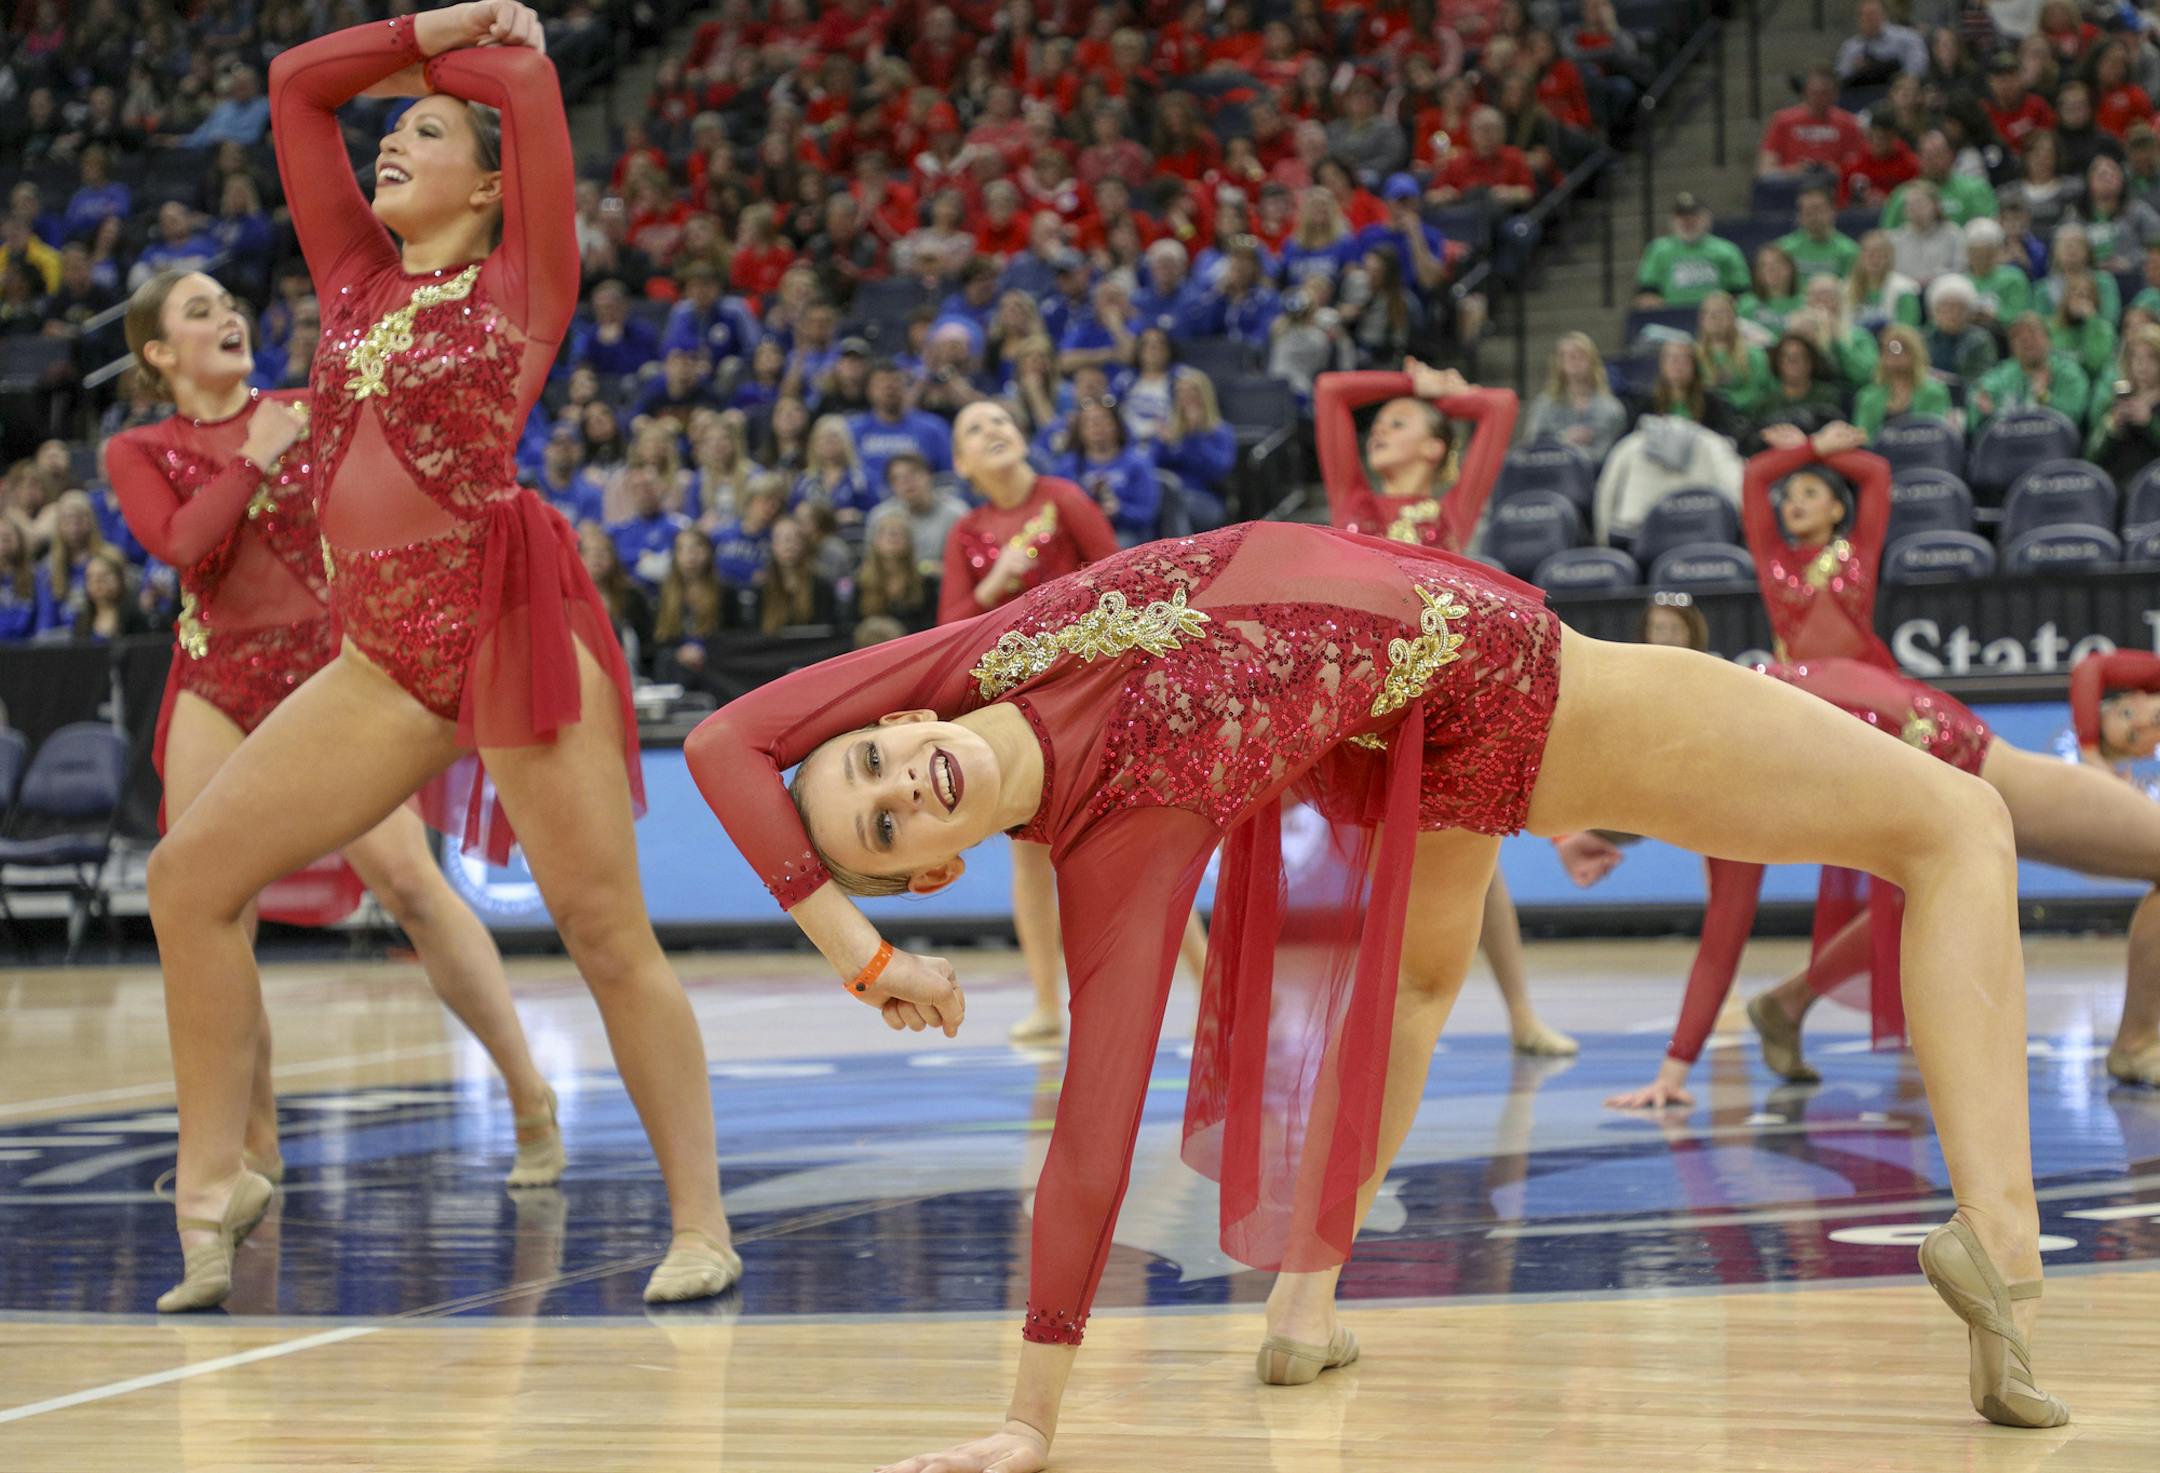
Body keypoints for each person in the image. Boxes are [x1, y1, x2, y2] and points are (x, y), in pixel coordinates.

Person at [689, 517, 2062, 1468]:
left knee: (1416, 991)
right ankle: (2001, 1245)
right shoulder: (1121, 848)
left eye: (871, 766)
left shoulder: (973, 662)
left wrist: (858, 954)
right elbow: (1091, 1142)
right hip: (1525, 687)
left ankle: (1304, 1303)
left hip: (1421, 710)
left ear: (898, 721)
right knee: (1955, 827)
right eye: (882, 834)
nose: (893, 792)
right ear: (931, 873)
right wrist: (1030, 1419)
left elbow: (726, 736)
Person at [144, 2, 739, 1317]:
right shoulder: (356, 277)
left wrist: (478, 54)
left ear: (489, 180)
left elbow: (527, 88)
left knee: (600, 926)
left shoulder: (528, 278)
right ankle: (213, 1180)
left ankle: (700, 1219)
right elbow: (300, 87)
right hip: (380, 658)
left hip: (510, 623)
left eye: (424, 133)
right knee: (186, 877)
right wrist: (429, 33)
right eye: (394, 132)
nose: (390, 145)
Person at [113, 271, 562, 1298]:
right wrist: (252, 462)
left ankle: (531, 1099)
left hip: (334, 673)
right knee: (209, 903)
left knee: (409, 885)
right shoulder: (137, 450)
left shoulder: (309, 411)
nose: (225, 316)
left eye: (226, 303)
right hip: (215, 678)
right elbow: (180, 547)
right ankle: (246, 1155)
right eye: (196, 312)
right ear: (157, 355)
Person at [1618, 425, 2160, 1107]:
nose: (1794, 502)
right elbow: (1724, 915)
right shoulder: (1765, 684)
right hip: (1937, 763)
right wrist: (1673, 1069)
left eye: (1811, 494)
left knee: (1915, 892)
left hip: (1941, 743)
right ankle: (2136, 1043)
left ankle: (1786, 1005)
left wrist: (1816, 448)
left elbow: (1869, 474)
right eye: (1792, 495)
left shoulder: (1824, 605)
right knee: (1920, 890)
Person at [1315, 362, 1577, 1054]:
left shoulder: (1451, 511)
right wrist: (1401, 385)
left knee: (1476, 867)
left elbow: (1500, 404)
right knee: (1379, 872)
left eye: (1399, 425)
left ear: (1435, 448)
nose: (1381, 431)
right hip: (1364, 705)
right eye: (1382, 424)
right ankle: (1364, 1028)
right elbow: (1331, 395)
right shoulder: (1355, 503)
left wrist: (1438, 397)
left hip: (1443, 702)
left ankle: (1521, 1013)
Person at [939, 399, 1121, 1043]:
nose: (992, 429)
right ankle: (1049, 1002)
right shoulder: (966, 531)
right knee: (1030, 858)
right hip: (1018, 710)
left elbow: (1120, 576)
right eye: (974, 427)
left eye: (999, 419)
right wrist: (996, 587)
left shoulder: (1063, 498)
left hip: (1089, 689)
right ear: (962, 463)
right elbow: (947, 630)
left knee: (1130, 841)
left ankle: (1207, 982)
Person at [1522, 332, 1628, 463]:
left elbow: (1611, 456)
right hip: (1550, 473)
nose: (1573, 359)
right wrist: (1563, 440)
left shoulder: (1612, 409)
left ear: (1593, 361)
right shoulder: (1544, 404)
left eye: (1580, 354)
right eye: (1565, 355)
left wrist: (1573, 452)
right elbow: (1531, 446)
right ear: (1558, 363)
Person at [1855, 324, 1956, 436]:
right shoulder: (1868, 397)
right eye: (1889, 350)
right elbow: (1863, 437)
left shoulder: (1935, 393)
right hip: (1878, 452)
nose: (1895, 355)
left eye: (1902, 349)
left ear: (1915, 354)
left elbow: (1938, 434)